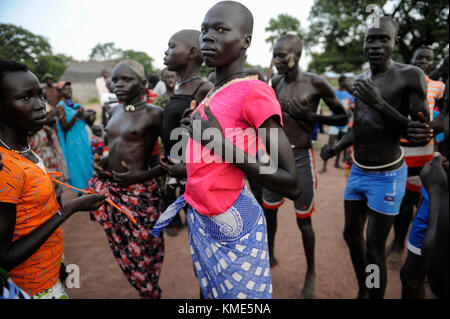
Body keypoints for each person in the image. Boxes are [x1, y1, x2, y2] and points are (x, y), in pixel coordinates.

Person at [152, 1, 301, 300]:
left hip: (234, 223)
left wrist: (220, 145)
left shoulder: (254, 91)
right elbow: (216, 158)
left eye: (222, 30)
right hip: (201, 216)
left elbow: (291, 181)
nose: (208, 36)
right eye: (205, 30)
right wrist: (190, 164)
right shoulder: (214, 91)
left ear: (245, 40)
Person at [320, 17, 429, 299]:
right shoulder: (361, 81)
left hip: (387, 176)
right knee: (350, 235)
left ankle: (373, 295)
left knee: (373, 245)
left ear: (395, 42)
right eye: (371, 39)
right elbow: (361, 126)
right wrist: (337, 145)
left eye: (384, 39)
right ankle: (364, 288)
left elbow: (418, 132)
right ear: (364, 43)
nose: (377, 45)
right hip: (358, 170)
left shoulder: (410, 75)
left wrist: (379, 102)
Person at [0, 59, 105, 298]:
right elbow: (4, 258)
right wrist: (69, 209)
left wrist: (57, 262)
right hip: (33, 286)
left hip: (48, 271)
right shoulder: (5, 167)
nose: (40, 106)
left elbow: (32, 219)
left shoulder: (23, 151)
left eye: (40, 96)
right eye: (25, 98)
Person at [262, 34, 348, 299]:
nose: (276, 60)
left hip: (300, 158)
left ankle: (311, 271)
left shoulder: (316, 83)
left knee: (304, 221)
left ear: (297, 55)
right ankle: (269, 258)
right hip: (274, 157)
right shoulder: (274, 82)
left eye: (281, 55)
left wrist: (313, 117)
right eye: (274, 55)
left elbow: (343, 116)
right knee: (269, 215)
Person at [88, 60, 166, 299]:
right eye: (115, 79)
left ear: (142, 84)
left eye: (126, 79)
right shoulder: (114, 110)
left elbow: (173, 159)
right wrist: (102, 162)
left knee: (145, 250)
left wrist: (142, 175)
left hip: (140, 194)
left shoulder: (155, 114)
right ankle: (145, 290)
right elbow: (112, 146)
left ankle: (150, 291)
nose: (118, 84)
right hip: (113, 190)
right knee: (121, 247)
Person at [387, 47, 446, 263]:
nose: (423, 61)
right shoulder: (402, 83)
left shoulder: (439, 87)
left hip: (424, 152)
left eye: (428, 59)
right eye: (419, 57)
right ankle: (397, 244)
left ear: (432, 64)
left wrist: (431, 129)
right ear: (411, 60)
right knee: (400, 201)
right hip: (400, 150)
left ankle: (417, 249)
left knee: (421, 201)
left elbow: (443, 117)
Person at [161, 29, 213, 236]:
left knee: (201, 227)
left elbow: (215, 139)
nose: (166, 52)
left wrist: (189, 167)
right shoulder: (181, 88)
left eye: (172, 46)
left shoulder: (203, 89)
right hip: (175, 166)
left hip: (193, 173)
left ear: (192, 52)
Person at [400, 80, 449, 299]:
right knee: (410, 277)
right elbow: (438, 122)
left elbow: (439, 280)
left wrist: (437, 191)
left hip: (438, 194)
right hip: (434, 192)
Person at [56, 81, 93, 191]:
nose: (69, 90)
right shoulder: (61, 107)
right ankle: (81, 191)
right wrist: (77, 114)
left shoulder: (73, 104)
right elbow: (64, 127)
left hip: (82, 138)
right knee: (77, 164)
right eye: (65, 89)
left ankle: (90, 187)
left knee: (87, 161)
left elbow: (85, 118)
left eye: (69, 88)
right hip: (72, 140)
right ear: (60, 92)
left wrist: (85, 114)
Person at [319, 75, 355, 173]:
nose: (348, 82)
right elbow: (331, 106)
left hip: (344, 123)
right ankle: (324, 166)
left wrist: (350, 110)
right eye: (346, 81)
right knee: (330, 144)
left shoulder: (349, 95)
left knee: (340, 143)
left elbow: (352, 106)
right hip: (335, 122)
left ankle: (337, 162)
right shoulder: (335, 93)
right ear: (342, 82)